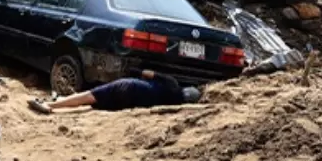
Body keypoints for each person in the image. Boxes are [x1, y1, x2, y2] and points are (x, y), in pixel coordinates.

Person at [28, 69, 201, 114]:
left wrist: (139, 71)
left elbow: (147, 74)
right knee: (92, 102)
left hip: (131, 86)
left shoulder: (172, 83)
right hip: (129, 103)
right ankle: (60, 101)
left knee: (88, 96)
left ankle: (50, 105)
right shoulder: (174, 104)